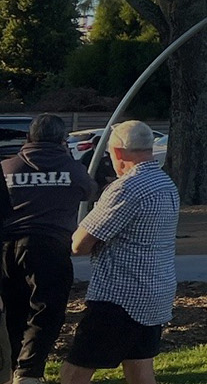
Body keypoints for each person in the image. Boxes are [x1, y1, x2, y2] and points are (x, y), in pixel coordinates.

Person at [61, 121, 176, 384]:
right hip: (155, 292)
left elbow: (80, 243)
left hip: (119, 297)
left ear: (119, 153)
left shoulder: (126, 188)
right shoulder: (165, 183)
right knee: (140, 368)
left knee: (74, 372)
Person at [4, 115, 88, 384]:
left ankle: (15, 365)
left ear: (28, 138)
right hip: (51, 246)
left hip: (7, 249)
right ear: (63, 141)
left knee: (14, 310)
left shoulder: (7, 167)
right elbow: (89, 191)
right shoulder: (72, 169)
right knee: (47, 310)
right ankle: (28, 372)